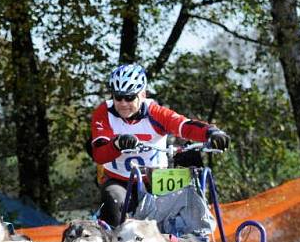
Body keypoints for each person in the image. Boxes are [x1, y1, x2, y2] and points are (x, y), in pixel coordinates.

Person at [90, 63, 230, 227]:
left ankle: (193, 241)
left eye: (129, 97)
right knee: (114, 200)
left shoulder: (155, 112)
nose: (122, 103)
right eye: (117, 97)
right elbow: (99, 154)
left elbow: (184, 126)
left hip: (156, 178)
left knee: (187, 199)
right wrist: (116, 144)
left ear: (142, 94)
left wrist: (210, 132)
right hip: (119, 180)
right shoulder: (104, 113)